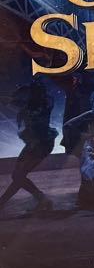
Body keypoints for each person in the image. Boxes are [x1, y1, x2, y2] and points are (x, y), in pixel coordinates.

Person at [0, 83, 57, 212]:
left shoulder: (36, 105)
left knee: (18, 175)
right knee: (17, 175)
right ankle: (42, 199)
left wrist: (18, 93)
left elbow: (14, 102)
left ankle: (42, 199)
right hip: (36, 144)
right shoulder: (38, 103)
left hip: (40, 145)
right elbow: (12, 101)